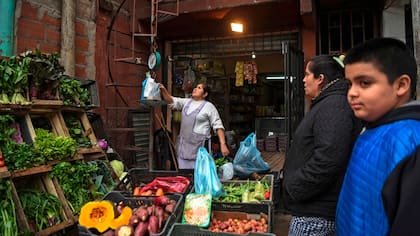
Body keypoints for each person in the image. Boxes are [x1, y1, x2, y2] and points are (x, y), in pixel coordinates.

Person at [336, 37, 420, 236]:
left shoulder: (411, 141)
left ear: (401, 85)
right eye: (350, 83)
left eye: (364, 83)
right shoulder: (373, 129)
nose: (352, 93)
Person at [282, 55, 362, 235]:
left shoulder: (334, 105)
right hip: (314, 208)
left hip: (317, 214)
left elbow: (328, 158)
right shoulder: (328, 102)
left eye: (307, 74)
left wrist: (295, 186)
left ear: (320, 79)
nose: (303, 79)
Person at [159, 82, 230, 169]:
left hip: (200, 147)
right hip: (184, 146)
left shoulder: (209, 107)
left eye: (199, 88)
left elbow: (218, 126)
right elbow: (171, 100)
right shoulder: (186, 103)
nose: (195, 89)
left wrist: (223, 144)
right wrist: (162, 89)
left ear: (205, 94)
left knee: (200, 173)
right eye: (196, 87)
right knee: (185, 173)